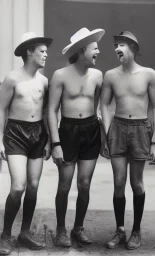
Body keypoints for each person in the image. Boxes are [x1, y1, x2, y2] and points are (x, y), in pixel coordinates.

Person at [100, 31, 155, 250]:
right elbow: (104, 105)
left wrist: (154, 139)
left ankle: (136, 230)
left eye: (122, 44)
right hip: (117, 127)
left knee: (136, 183)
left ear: (133, 47)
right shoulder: (110, 75)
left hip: (140, 129)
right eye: (116, 44)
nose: (117, 48)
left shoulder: (149, 74)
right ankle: (119, 230)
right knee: (118, 182)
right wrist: (107, 134)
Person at [0, 32, 53, 255]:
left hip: (38, 134)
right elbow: (1, 110)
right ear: (29, 51)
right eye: (42, 51)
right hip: (15, 133)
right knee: (18, 186)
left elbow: (48, 112)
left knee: (33, 186)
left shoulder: (44, 81)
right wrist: (0, 141)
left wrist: (48, 139)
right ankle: (5, 235)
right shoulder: (12, 78)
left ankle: (25, 232)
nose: (46, 55)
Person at [48, 27, 105, 247]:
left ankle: (78, 227)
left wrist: (100, 131)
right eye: (95, 48)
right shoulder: (60, 75)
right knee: (64, 185)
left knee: (84, 183)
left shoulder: (98, 76)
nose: (98, 51)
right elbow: (51, 110)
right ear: (83, 50)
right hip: (68, 131)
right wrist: (55, 143)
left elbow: (99, 105)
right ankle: (61, 229)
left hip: (90, 130)